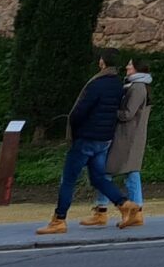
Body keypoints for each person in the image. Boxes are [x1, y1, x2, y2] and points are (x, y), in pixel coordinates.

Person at [36, 51, 131, 236]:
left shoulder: (97, 84)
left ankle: (59, 219)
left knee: (68, 179)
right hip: (104, 137)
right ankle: (124, 204)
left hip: (87, 137)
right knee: (98, 178)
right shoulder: (117, 85)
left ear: (102, 62)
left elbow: (81, 110)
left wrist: (74, 129)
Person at [92, 59, 151, 230]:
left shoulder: (138, 87)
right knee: (127, 170)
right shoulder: (135, 86)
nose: (127, 67)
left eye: (130, 65)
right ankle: (124, 210)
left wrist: (109, 111)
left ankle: (104, 210)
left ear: (137, 68)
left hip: (128, 136)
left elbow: (128, 113)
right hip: (128, 136)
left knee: (117, 170)